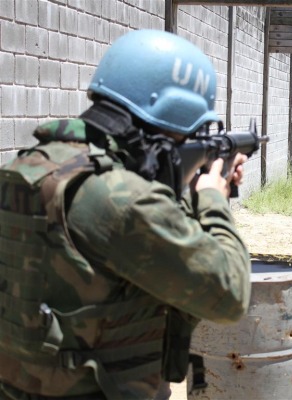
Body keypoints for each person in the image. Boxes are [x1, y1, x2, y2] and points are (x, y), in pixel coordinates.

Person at [0, 29, 251, 400]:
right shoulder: (123, 200)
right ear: (169, 121)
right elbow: (229, 296)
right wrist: (212, 197)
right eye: (190, 138)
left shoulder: (28, 168)